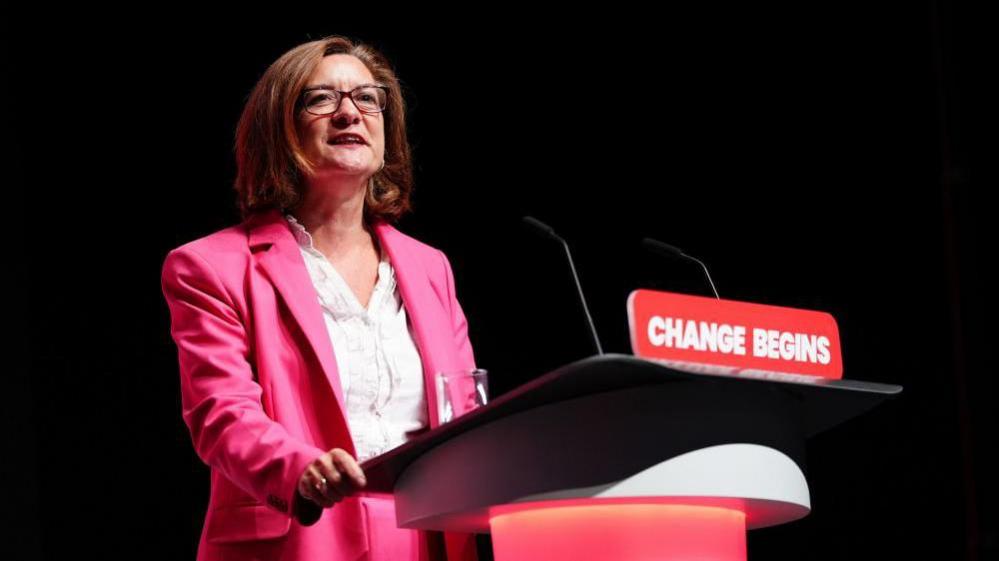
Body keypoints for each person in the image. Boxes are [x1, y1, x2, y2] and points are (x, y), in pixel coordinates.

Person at [160, 35, 479, 561]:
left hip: (428, 538)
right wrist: (299, 470)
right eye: (321, 99)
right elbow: (222, 414)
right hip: (301, 536)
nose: (349, 113)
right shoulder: (210, 266)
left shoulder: (430, 267)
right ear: (278, 130)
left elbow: (463, 406)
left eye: (367, 98)